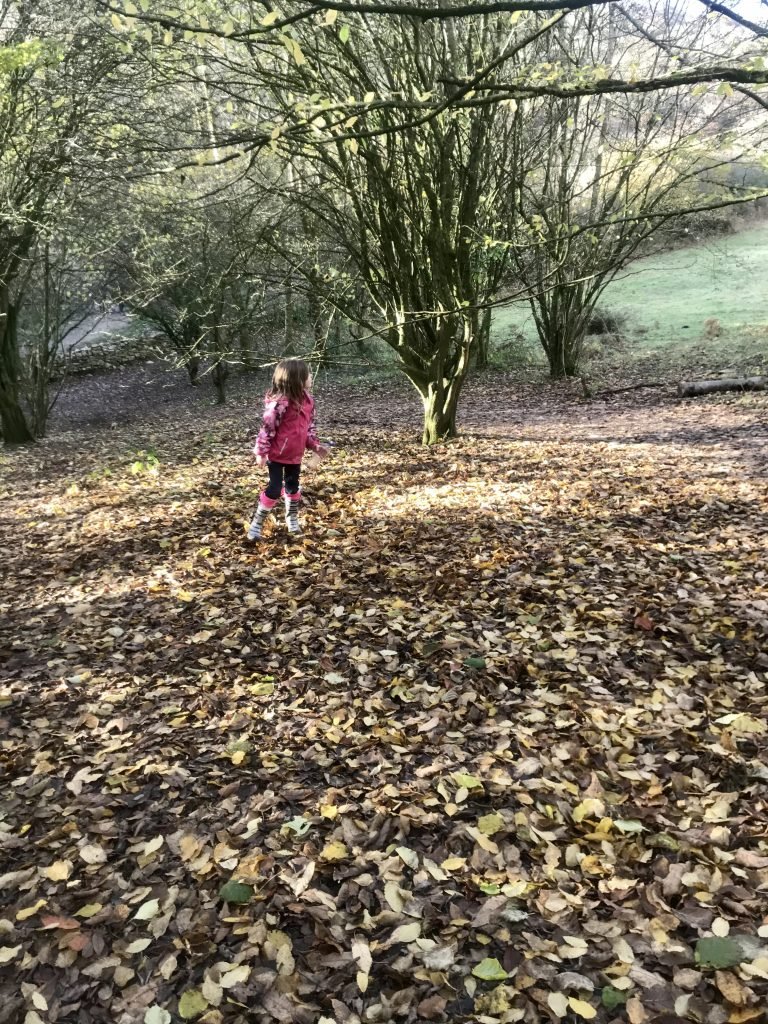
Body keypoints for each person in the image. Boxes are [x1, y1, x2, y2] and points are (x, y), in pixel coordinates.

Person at [247, 359, 328, 540]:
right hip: (276, 455)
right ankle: (256, 524)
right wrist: (261, 452)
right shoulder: (279, 404)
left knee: (292, 487)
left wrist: (315, 445)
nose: (311, 376)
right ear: (296, 379)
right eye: (307, 374)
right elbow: (267, 429)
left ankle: (292, 520)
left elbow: (309, 428)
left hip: (295, 456)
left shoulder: (308, 401)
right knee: (275, 489)